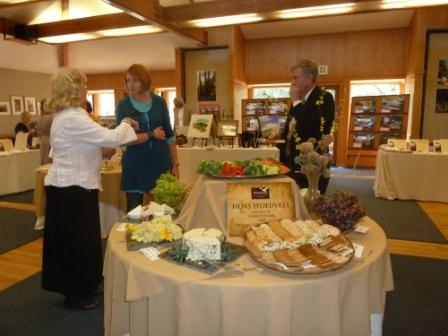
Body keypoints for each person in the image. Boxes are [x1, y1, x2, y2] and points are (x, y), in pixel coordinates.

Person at [42, 67, 139, 310]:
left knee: (80, 241)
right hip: (71, 188)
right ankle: (76, 293)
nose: (86, 87)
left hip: (71, 186)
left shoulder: (67, 115)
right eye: (83, 84)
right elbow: (113, 138)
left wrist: (98, 147)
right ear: (74, 88)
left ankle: (84, 285)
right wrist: (126, 123)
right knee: (78, 243)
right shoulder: (73, 116)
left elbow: (73, 146)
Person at [117, 64, 179, 212]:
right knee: (134, 212)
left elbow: (169, 136)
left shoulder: (159, 102)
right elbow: (123, 138)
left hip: (160, 163)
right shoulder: (123, 105)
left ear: (144, 81)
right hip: (134, 165)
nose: (130, 84)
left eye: (135, 80)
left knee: (162, 212)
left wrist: (176, 164)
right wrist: (152, 135)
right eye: (128, 80)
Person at [280, 59, 335, 194]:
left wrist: (296, 102)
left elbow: (313, 129)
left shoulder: (325, 98)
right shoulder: (298, 98)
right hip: (291, 160)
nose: (292, 82)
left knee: (310, 205)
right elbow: (294, 126)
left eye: (296, 77)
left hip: (311, 163)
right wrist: (281, 134)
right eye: (291, 78)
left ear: (309, 78)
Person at [38, 99, 53, 164]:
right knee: (51, 161)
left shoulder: (40, 118)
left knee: (44, 159)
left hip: (43, 140)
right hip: (51, 139)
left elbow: (39, 132)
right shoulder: (53, 117)